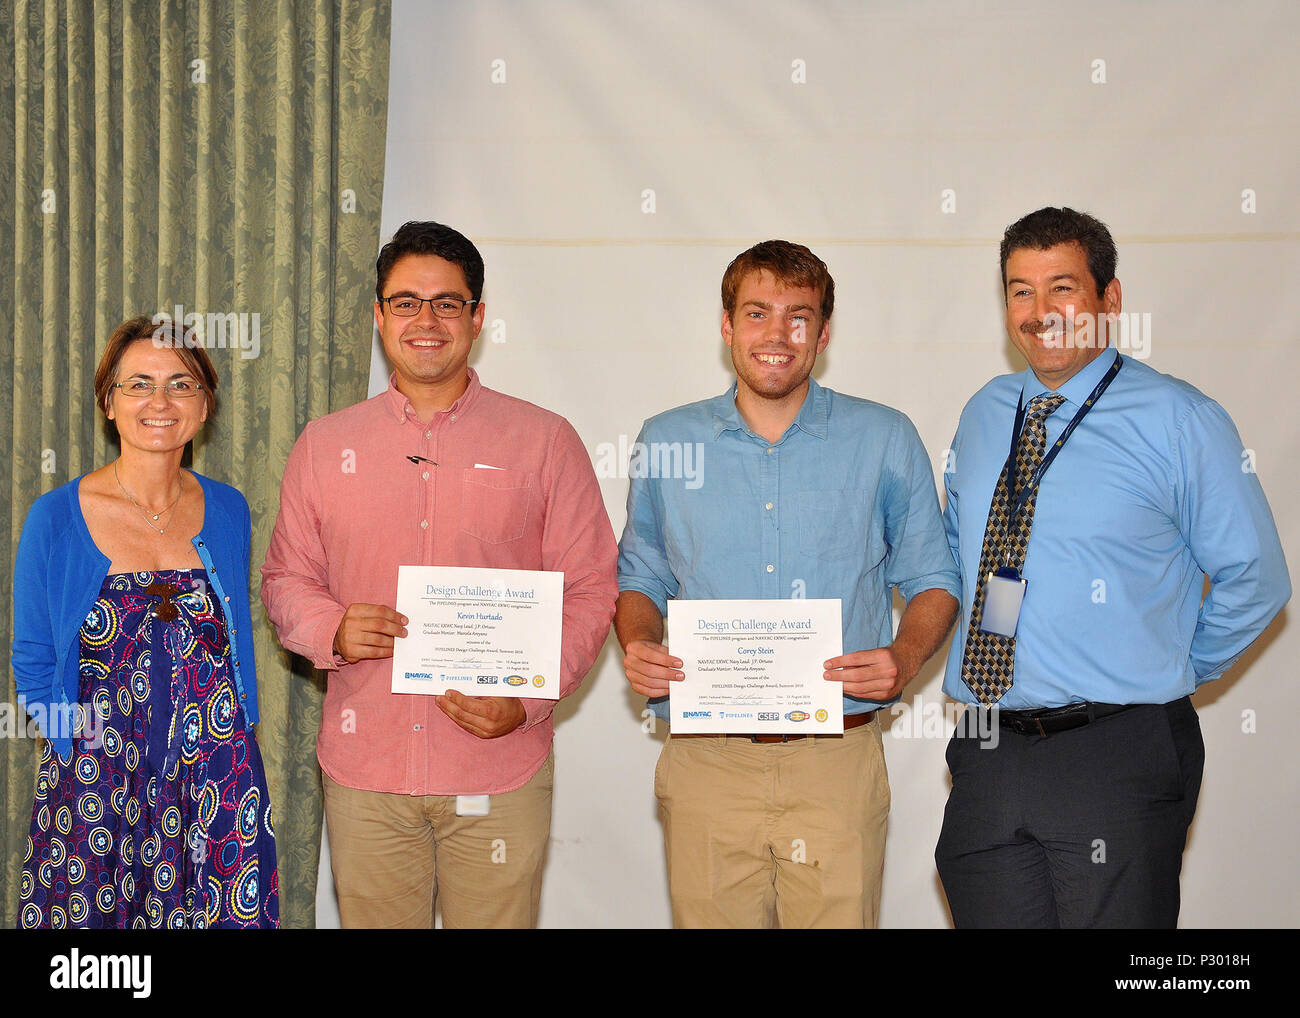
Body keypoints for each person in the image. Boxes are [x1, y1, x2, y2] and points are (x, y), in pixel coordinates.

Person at [936, 206, 1290, 928]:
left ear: (1110, 298)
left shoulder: (1177, 417)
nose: (1040, 312)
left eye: (1062, 287)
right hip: (988, 748)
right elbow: (954, 559)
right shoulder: (983, 414)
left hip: (1116, 750)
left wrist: (1170, 671)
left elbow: (1257, 577)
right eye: (1021, 291)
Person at [261, 220, 616, 929]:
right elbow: (284, 578)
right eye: (406, 302)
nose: (426, 320)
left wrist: (529, 701)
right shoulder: (325, 445)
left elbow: (590, 587)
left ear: (477, 318)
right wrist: (332, 625)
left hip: (498, 767)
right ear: (378, 315)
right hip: (368, 773)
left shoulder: (546, 441)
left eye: (448, 303)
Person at [615, 239, 960, 928]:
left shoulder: (884, 437)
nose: (778, 335)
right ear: (726, 325)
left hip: (836, 759)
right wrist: (639, 641)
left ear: (824, 332)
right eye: (757, 313)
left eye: (799, 317)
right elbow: (641, 576)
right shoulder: (667, 440)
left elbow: (934, 579)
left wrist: (906, 656)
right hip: (707, 759)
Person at [13, 314, 278, 929]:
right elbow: (32, 656)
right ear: (109, 402)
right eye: (138, 384)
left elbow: (232, 643)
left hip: (215, 775)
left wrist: (237, 741)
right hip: (96, 783)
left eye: (181, 384)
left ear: (205, 403)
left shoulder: (230, 509)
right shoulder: (55, 517)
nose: (160, 400)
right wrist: (81, 752)